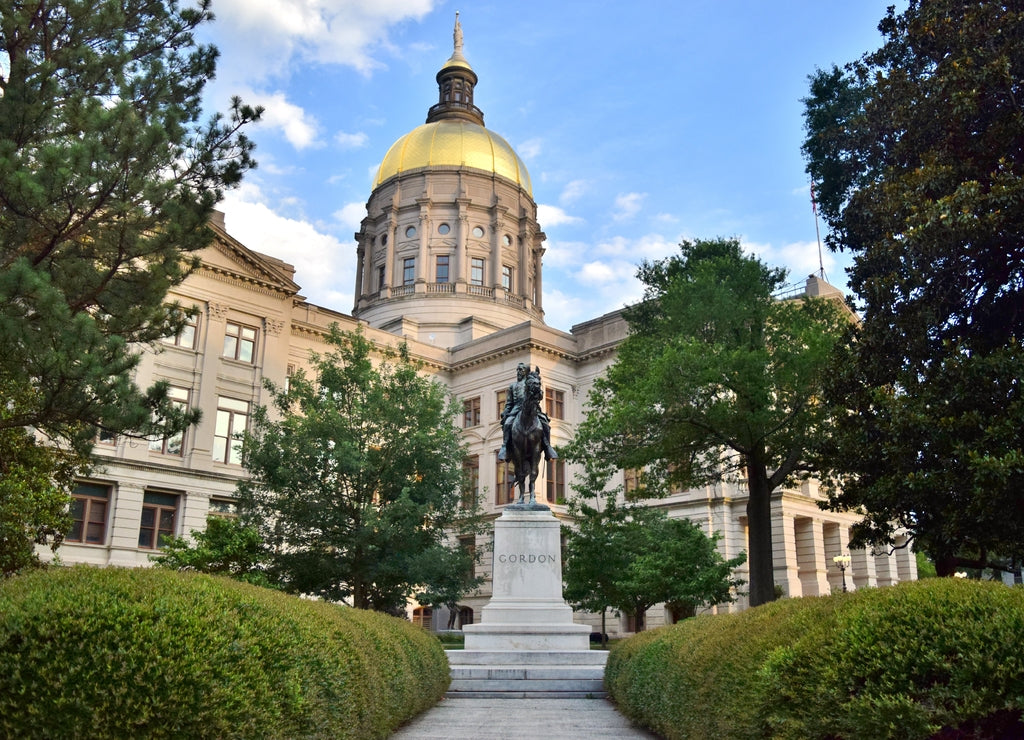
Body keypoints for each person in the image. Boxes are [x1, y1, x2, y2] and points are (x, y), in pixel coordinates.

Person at [498, 362, 558, 461]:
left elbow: (540, 396)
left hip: (533, 410)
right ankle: (505, 447)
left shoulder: (531, 383)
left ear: (526, 372)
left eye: (521, 370)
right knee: (508, 423)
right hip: (516, 409)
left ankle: (547, 447)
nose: (518, 372)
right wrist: (505, 412)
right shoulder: (512, 386)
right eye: (517, 370)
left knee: (545, 424)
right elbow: (509, 403)